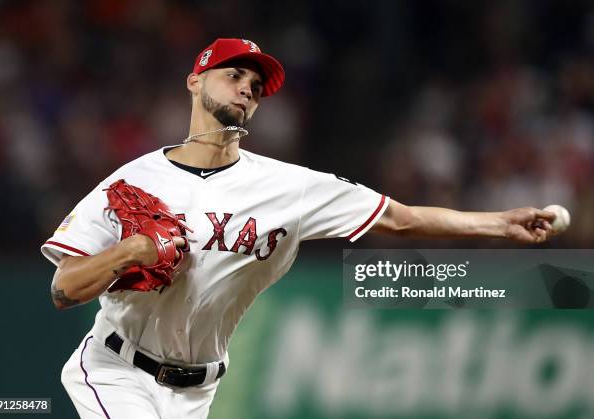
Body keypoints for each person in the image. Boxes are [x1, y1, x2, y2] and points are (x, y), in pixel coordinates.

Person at [41, 38, 555, 419]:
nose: (247, 88)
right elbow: (64, 288)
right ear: (195, 80)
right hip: (115, 369)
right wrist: (128, 251)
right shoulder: (133, 180)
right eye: (233, 74)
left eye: (256, 86)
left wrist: (499, 225)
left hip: (198, 392)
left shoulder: (291, 187)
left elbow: (401, 217)